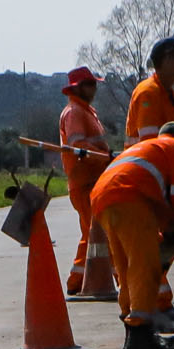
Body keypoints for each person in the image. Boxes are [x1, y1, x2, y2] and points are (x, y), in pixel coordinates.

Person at [88, 121, 174, 349]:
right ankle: (140, 336)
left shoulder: (146, 149)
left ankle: (133, 330)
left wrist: (166, 228)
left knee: (126, 267)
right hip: (130, 197)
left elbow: (159, 200)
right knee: (144, 266)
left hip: (102, 196)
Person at [57, 67, 113, 294]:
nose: (95, 88)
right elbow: (77, 147)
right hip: (84, 182)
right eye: (90, 84)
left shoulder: (86, 112)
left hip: (93, 180)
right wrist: (103, 158)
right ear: (78, 88)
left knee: (91, 233)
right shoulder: (74, 113)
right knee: (98, 231)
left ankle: (76, 281)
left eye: (94, 83)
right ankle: (116, 277)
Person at [126, 37, 174, 145]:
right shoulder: (148, 92)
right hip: (144, 161)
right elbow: (150, 144)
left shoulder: (170, 94)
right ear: (167, 60)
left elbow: (171, 139)